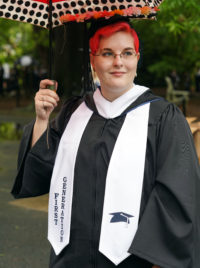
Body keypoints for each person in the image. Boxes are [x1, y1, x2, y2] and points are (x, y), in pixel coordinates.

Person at [11, 19, 200, 268]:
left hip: (134, 260)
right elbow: (41, 172)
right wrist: (42, 120)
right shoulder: (73, 112)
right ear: (93, 60)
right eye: (107, 53)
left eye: (127, 53)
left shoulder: (163, 118)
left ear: (137, 58)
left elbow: (177, 194)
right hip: (71, 257)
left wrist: (160, 262)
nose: (118, 62)